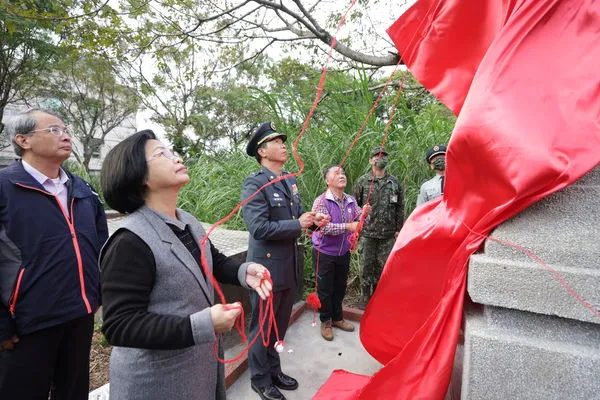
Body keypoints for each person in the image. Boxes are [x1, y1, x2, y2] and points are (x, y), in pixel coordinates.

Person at [99, 130, 272, 400]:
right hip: (157, 382)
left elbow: (211, 259)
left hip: (197, 369)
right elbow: (120, 326)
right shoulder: (130, 241)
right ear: (138, 175)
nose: (175, 157)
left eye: (171, 151)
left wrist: (243, 272)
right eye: (161, 154)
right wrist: (202, 324)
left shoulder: (188, 220)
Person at [0, 109, 108, 399]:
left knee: (73, 391)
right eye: (54, 130)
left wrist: (95, 293)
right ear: (23, 140)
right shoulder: (4, 187)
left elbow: (100, 244)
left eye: (65, 129)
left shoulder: (82, 189)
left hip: (79, 314)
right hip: (27, 322)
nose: (66, 136)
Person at [241, 122, 328, 400]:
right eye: (276, 142)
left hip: (288, 265)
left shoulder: (289, 180)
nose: (283, 145)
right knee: (262, 327)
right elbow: (258, 228)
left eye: (282, 141)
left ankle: (274, 370)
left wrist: (314, 223)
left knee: (278, 324)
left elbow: (300, 219)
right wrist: (297, 223)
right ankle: (260, 379)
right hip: (265, 269)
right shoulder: (255, 183)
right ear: (262, 151)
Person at [311, 165, 370, 341]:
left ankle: (337, 318)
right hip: (325, 252)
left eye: (343, 173)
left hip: (343, 251)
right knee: (325, 289)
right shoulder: (321, 201)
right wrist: (348, 227)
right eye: (337, 173)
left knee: (340, 287)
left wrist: (366, 213)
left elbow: (360, 218)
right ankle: (326, 321)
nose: (342, 175)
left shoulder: (351, 200)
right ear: (327, 181)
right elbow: (323, 228)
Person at [353, 146, 404, 306]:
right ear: (370, 160)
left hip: (388, 235)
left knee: (385, 268)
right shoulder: (362, 181)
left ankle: (380, 297)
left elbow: (400, 207)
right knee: (366, 267)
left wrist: (398, 229)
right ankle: (365, 297)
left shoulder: (394, 182)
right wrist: (357, 225)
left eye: (383, 156)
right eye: (376, 155)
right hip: (368, 233)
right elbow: (354, 205)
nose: (380, 158)